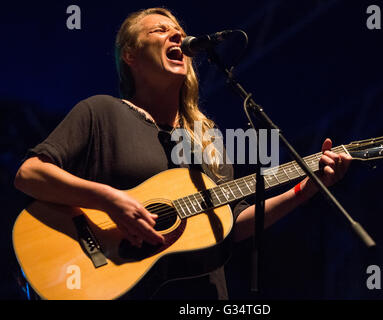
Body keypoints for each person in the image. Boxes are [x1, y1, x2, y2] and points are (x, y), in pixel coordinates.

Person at [13, 7, 352, 299]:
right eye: (161, 31)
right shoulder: (101, 112)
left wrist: (305, 189)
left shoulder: (206, 139)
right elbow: (29, 174)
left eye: (180, 33)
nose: (177, 37)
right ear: (129, 55)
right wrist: (109, 200)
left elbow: (232, 224)